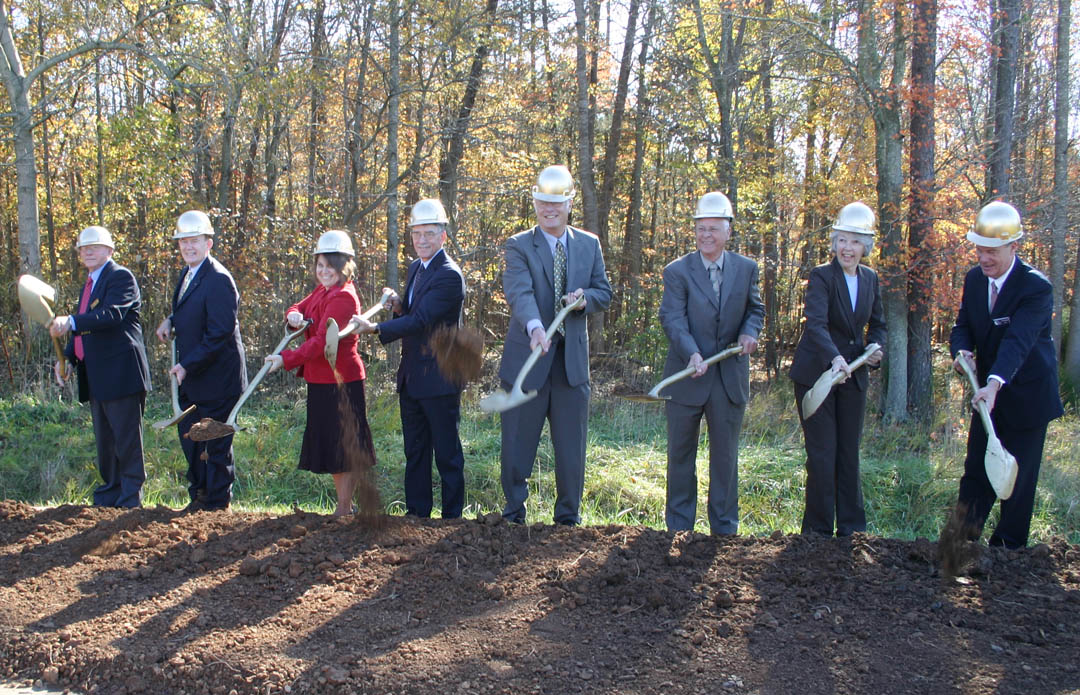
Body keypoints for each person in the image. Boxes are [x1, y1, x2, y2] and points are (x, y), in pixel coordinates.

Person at [497, 165, 612, 526]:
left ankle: (568, 520)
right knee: (517, 446)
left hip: (571, 365)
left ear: (569, 203)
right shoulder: (518, 246)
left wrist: (584, 300)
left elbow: (604, 292)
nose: (549, 209)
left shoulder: (589, 244)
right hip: (529, 359)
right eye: (543, 202)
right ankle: (514, 515)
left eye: (556, 203)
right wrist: (535, 326)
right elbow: (520, 292)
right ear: (534, 201)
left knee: (571, 450)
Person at [949, 201, 1063, 549]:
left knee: (1017, 480)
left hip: (1027, 396)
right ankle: (960, 546)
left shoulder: (1035, 288)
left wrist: (995, 381)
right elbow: (963, 326)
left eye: (992, 252)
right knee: (976, 474)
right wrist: (962, 351)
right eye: (980, 250)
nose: (984, 259)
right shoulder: (973, 278)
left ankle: (1008, 553)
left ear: (1014, 246)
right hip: (987, 399)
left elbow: (1019, 341)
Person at [353, 199, 467, 519]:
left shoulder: (449, 275)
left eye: (429, 234)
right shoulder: (417, 268)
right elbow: (415, 315)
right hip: (413, 377)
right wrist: (399, 305)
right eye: (417, 234)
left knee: (446, 453)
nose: (422, 240)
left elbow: (423, 322)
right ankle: (417, 515)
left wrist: (375, 328)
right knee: (415, 451)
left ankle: (452, 519)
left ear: (443, 236)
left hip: (440, 376)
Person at [658, 191, 764, 535]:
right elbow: (672, 318)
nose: (706, 235)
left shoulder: (747, 269)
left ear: (728, 230)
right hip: (687, 376)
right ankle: (678, 528)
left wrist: (750, 333)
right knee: (680, 456)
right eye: (701, 228)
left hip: (728, 380)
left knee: (725, 459)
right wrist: (692, 352)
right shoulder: (677, 271)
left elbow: (755, 310)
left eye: (713, 229)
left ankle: (724, 529)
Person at [788, 202, 886, 537]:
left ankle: (852, 532)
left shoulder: (871, 279)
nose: (847, 248)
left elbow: (879, 326)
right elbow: (815, 325)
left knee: (848, 456)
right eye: (842, 240)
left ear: (865, 247)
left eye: (855, 241)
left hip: (853, 378)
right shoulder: (821, 276)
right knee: (822, 456)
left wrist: (875, 349)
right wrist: (835, 359)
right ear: (834, 242)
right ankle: (816, 533)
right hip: (817, 376)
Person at [265, 230, 377, 516]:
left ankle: (344, 508)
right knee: (331, 443)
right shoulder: (323, 291)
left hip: (341, 380)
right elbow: (300, 308)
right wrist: (292, 315)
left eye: (330, 266)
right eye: (320, 266)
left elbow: (319, 343)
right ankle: (345, 507)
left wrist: (285, 358)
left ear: (344, 266)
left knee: (344, 445)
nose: (324, 271)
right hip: (320, 379)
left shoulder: (344, 298)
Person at [50, 226, 152, 507]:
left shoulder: (120, 277)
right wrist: (69, 358)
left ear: (109, 250)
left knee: (126, 439)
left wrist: (70, 321)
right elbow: (84, 325)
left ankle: (130, 499)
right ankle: (110, 494)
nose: (88, 252)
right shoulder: (89, 284)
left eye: (94, 247)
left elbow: (110, 315)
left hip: (121, 374)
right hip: (96, 375)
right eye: (84, 248)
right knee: (105, 442)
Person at [155, 210, 247, 512]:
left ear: (209, 243)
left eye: (195, 241)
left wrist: (186, 364)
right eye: (183, 242)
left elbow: (219, 332)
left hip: (218, 379)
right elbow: (191, 309)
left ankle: (217, 507)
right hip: (196, 378)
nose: (188, 247)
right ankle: (199, 499)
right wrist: (171, 320)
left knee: (214, 445)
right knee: (191, 442)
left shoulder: (219, 279)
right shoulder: (188, 273)